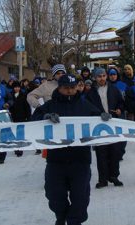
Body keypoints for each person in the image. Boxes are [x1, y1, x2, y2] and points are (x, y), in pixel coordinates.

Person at [31, 74, 102, 225]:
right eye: (66, 88)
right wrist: (45, 117)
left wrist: (104, 117)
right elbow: (33, 120)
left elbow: (98, 118)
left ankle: (74, 221)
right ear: (59, 88)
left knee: (80, 197)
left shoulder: (85, 104)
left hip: (80, 160)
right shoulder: (50, 105)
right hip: (56, 160)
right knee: (54, 194)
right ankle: (61, 217)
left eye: (72, 87)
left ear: (77, 87)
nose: (69, 91)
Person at [86, 67, 125, 188]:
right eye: (99, 76)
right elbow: (88, 108)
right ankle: (103, 179)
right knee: (101, 152)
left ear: (106, 76)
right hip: (99, 125)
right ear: (95, 78)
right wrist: (97, 115)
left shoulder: (114, 89)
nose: (101, 78)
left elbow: (121, 102)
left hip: (113, 124)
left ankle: (114, 176)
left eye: (103, 76)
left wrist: (119, 109)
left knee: (115, 151)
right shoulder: (91, 93)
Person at [9, 81, 32, 157]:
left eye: (18, 87)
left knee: (20, 134)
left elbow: (27, 107)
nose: (17, 88)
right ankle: (16, 148)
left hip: (22, 117)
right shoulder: (10, 95)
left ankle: (20, 149)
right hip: (13, 117)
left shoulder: (23, 95)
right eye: (15, 87)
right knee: (14, 133)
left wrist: (28, 117)